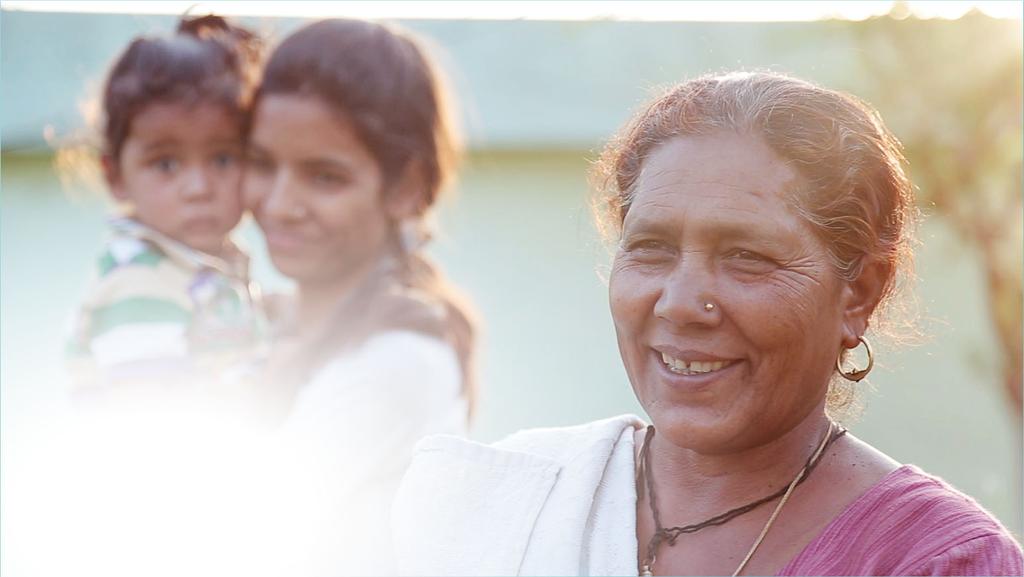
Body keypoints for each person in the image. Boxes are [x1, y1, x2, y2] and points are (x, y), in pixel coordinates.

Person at [392, 71, 1024, 576]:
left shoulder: (937, 561)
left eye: (746, 257)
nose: (679, 303)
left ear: (858, 294)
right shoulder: (501, 499)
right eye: (652, 249)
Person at [242, 18, 477, 576]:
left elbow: (236, 532)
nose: (279, 203)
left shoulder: (396, 360)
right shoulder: (265, 321)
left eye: (324, 177)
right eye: (261, 164)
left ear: (406, 187)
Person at [66, 14, 266, 405]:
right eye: (166, 164)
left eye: (224, 158)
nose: (199, 188)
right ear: (116, 176)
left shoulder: (196, 264)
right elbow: (156, 424)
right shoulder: (139, 281)